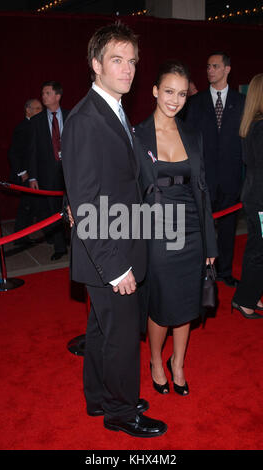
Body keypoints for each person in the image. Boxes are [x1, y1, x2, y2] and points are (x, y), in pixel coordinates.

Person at [61, 22, 167, 438]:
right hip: (110, 253)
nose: (127, 70)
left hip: (113, 245)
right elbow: (85, 199)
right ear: (96, 64)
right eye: (117, 60)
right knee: (122, 338)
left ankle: (99, 398)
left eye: (132, 62)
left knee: (101, 329)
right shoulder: (87, 119)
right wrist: (115, 266)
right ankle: (121, 413)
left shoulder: (113, 110)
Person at [135, 61, 217, 396]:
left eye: (182, 93)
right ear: (155, 91)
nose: (175, 99)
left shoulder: (192, 136)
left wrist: (211, 245)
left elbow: (203, 190)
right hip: (156, 234)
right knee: (162, 303)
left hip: (192, 232)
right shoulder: (136, 136)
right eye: (169, 91)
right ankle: (156, 359)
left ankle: (178, 363)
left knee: (187, 302)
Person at [185, 52, 245, 288]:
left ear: (227, 69)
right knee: (202, 228)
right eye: (208, 66)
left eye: (215, 66)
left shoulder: (241, 102)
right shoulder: (196, 102)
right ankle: (202, 271)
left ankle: (225, 271)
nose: (210, 70)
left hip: (231, 178)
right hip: (203, 179)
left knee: (229, 229)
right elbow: (189, 142)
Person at [231, 74, 263, 319]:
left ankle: (248, 297)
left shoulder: (251, 123)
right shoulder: (261, 126)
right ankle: (245, 301)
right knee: (258, 249)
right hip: (260, 196)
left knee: (256, 247)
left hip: (254, 192)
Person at [29, 81, 69, 260]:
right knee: (53, 210)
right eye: (43, 93)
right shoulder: (36, 121)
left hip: (70, 170)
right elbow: (32, 150)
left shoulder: (71, 116)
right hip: (48, 172)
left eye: (47, 93)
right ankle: (60, 247)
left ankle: (76, 242)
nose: (43, 96)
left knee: (74, 207)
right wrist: (33, 176)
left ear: (57, 96)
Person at [8, 99, 42, 245]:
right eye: (37, 108)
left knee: (35, 206)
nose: (41, 111)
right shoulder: (23, 127)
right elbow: (14, 153)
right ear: (28, 110)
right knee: (26, 206)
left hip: (37, 173)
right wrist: (23, 173)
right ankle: (20, 237)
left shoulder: (36, 126)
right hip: (27, 175)